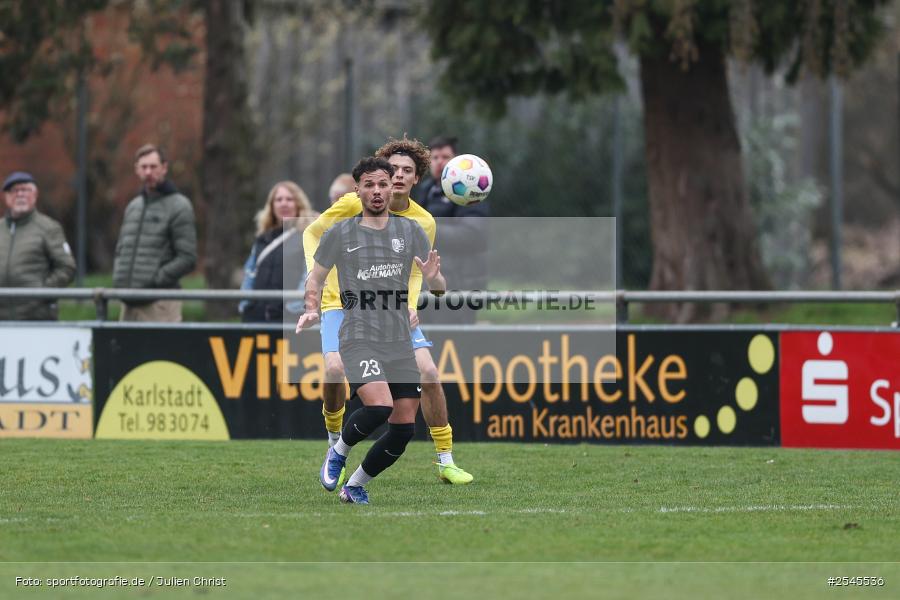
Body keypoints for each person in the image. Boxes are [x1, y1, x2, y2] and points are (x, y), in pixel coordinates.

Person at [303, 136, 473, 484]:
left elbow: (416, 273)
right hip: (341, 299)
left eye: (406, 171)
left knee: (429, 373)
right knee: (334, 369)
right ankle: (335, 441)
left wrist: (409, 304)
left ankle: (445, 459)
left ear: (416, 179)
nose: (396, 176)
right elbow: (313, 233)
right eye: (391, 169)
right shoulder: (356, 202)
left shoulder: (421, 222)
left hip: (392, 309)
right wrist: (315, 283)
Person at [112, 144, 197, 322]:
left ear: (164, 168)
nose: (148, 172)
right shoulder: (133, 206)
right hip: (128, 303)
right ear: (136, 170)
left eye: (153, 167)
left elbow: (187, 257)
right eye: (144, 167)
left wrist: (155, 281)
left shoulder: (179, 206)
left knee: (161, 351)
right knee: (126, 351)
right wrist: (120, 277)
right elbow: (121, 250)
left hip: (160, 303)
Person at [417, 135, 489, 324]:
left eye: (445, 157)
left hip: (461, 283)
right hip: (428, 283)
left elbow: (473, 235)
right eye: (435, 157)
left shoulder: (470, 190)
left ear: (456, 161)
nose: (439, 162)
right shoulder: (424, 191)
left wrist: (426, 228)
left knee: (455, 345)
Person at [0, 171, 75, 320]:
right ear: (6, 197)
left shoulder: (49, 228)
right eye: (14, 190)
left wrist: (42, 292)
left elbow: (67, 267)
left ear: (35, 195)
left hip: (36, 319)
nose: (20, 194)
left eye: (26, 190)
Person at [239, 181, 318, 323]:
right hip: (257, 316)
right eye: (278, 199)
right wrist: (246, 305)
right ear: (271, 206)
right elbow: (249, 274)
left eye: (289, 199)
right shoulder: (262, 238)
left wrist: (292, 308)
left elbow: (309, 276)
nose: (284, 204)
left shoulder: (307, 235)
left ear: (298, 204)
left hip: (289, 318)